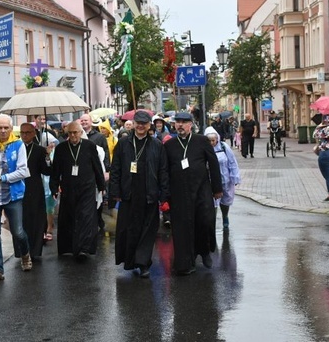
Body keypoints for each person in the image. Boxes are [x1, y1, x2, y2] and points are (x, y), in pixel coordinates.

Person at [109, 110, 169, 278]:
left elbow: (163, 170)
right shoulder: (123, 143)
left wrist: (164, 194)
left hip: (149, 193)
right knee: (129, 229)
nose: (141, 126)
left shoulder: (157, 145)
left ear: (149, 125)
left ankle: (143, 263)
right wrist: (115, 192)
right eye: (138, 123)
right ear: (134, 124)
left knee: (147, 230)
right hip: (128, 193)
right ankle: (130, 260)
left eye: (144, 123)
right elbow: (116, 169)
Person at [163, 112, 223, 275]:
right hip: (179, 192)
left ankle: (204, 252)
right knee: (183, 227)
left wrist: (217, 188)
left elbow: (213, 164)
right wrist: (165, 193)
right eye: (178, 122)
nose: (180, 125)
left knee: (204, 221)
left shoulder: (201, 141)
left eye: (184, 122)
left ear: (191, 124)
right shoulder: (169, 145)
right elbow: (165, 170)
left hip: (201, 189)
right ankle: (185, 261)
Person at [0, 114, 32, 283]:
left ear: (11, 128)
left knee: (18, 232)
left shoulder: (18, 145)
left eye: (6, 128)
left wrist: (2, 178)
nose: (2, 131)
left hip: (13, 195)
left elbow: (24, 171)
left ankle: (25, 254)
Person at [49, 121, 106, 259]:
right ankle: (69, 247)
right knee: (69, 217)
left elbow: (97, 167)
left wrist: (102, 186)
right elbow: (56, 170)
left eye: (75, 132)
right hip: (68, 188)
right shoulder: (61, 148)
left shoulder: (90, 146)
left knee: (86, 217)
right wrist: (54, 187)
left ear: (81, 133)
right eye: (70, 133)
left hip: (86, 187)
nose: (73, 135)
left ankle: (83, 249)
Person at [19, 123, 53, 259]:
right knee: (21, 220)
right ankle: (22, 251)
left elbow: (47, 170)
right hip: (19, 187)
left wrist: (47, 157)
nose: (25, 135)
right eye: (22, 133)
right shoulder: (16, 148)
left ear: (34, 134)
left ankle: (35, 251)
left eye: (28, 132)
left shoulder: (39, 150)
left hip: (35, 188)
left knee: (36, 220)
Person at [204, 126, 241, 229]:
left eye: (213, 140)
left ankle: (225, 216)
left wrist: (235, 176)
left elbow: (232, 162)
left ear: (217, 139)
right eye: (209, 140)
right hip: (211, 181)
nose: (211, 143)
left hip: (225, 180)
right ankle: (213, 223)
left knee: (226, 201)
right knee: (212, 203)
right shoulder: (204, 149)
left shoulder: (223, 147)